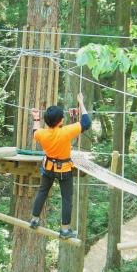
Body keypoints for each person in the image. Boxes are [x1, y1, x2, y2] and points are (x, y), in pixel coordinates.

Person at [29, 93, 91, 239]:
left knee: (42, 192)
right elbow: (87, 122)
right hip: (64, 170)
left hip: (48, 168)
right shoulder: (66, 132)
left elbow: (35, 131)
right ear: (61, 120)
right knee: (66, 198)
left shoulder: (42, 134)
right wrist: (81, 102)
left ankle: (34, 219)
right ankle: (64, 230)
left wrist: (36, 117)